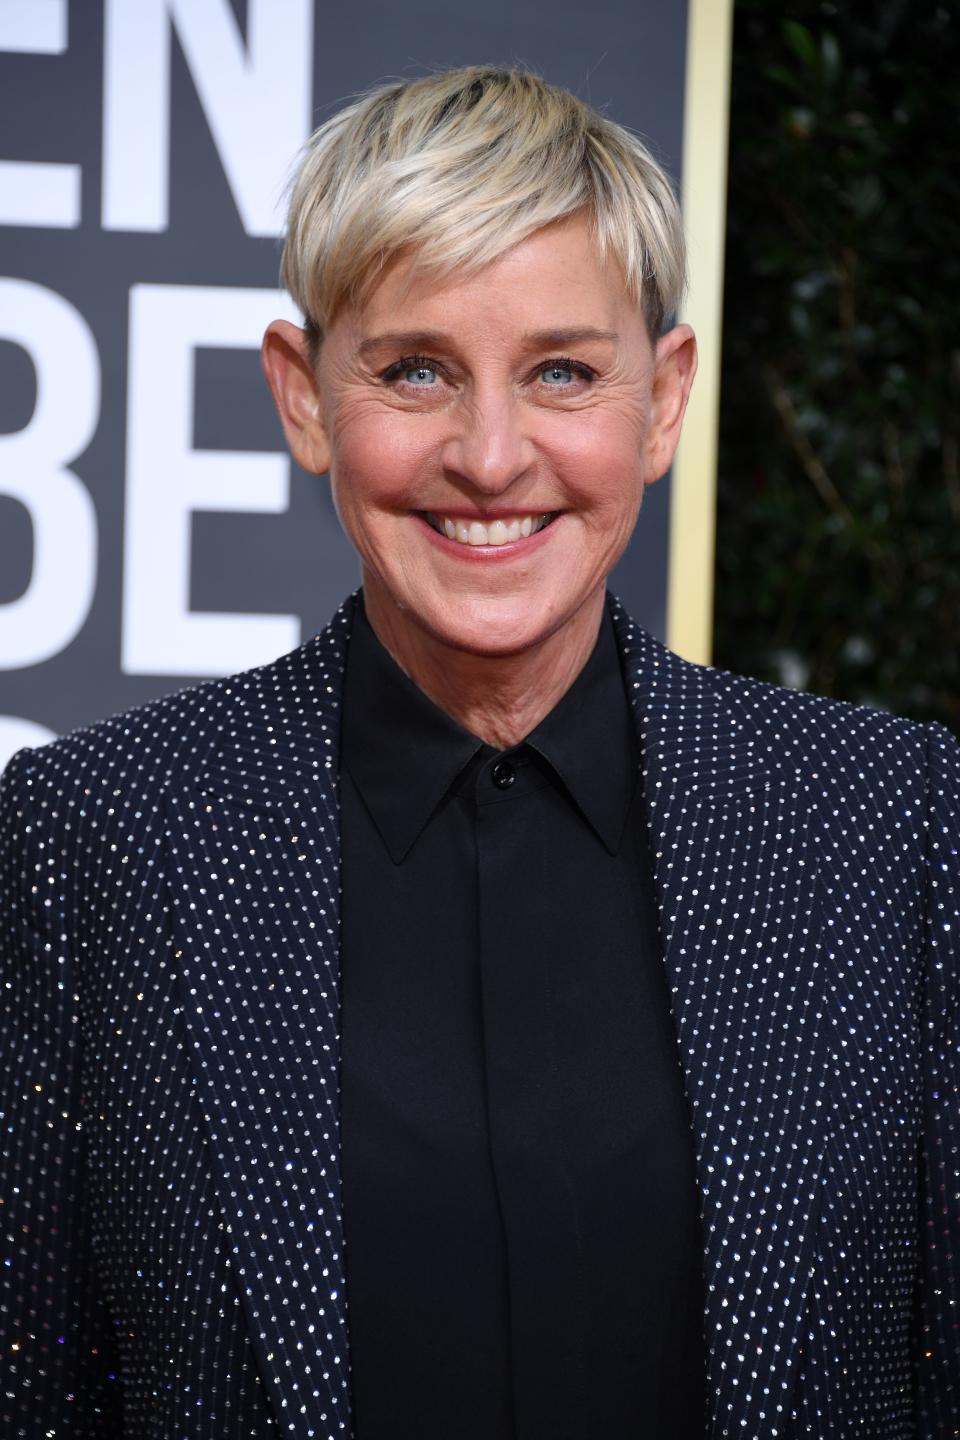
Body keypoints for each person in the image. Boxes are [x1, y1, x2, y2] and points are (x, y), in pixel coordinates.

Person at [0, 63, 957, 1440]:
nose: (492, 454)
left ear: (666, 397)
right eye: (416, 371)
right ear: (307, 397)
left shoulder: (893, 824)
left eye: (563, 370)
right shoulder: (101, 835)